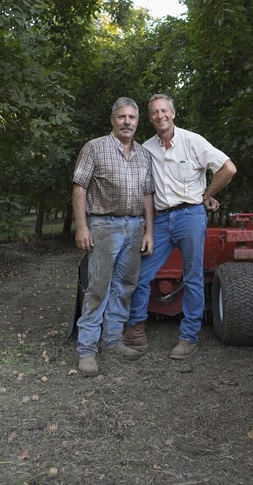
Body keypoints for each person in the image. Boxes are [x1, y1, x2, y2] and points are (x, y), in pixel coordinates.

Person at [123, 94, 237, 360]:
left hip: (190, 215)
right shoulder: (146, 148)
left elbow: (228, 169)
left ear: (173, 113)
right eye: (154, 112)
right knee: (141, 273)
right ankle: (135, 331)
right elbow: (142, 189)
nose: (159, 116)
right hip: (160, 219)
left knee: (193, 277)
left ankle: (188, 338)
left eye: (164, 111)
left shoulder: (192, 141)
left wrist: (206, 194)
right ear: (149, 118)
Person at [72, 97, 154, 376]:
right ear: (113, 120)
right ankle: (87, 350)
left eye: (132, 117)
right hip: (104, 225)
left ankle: (113, 340)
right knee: (98, 287)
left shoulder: (144, 154)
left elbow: (147, 196)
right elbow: (79, 187)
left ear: (137, 122)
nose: (127, 122)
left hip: (135, 227)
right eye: (122, 117)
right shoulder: (95, 148)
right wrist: (82, 227)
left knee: (125, 286)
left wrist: (149, 231)